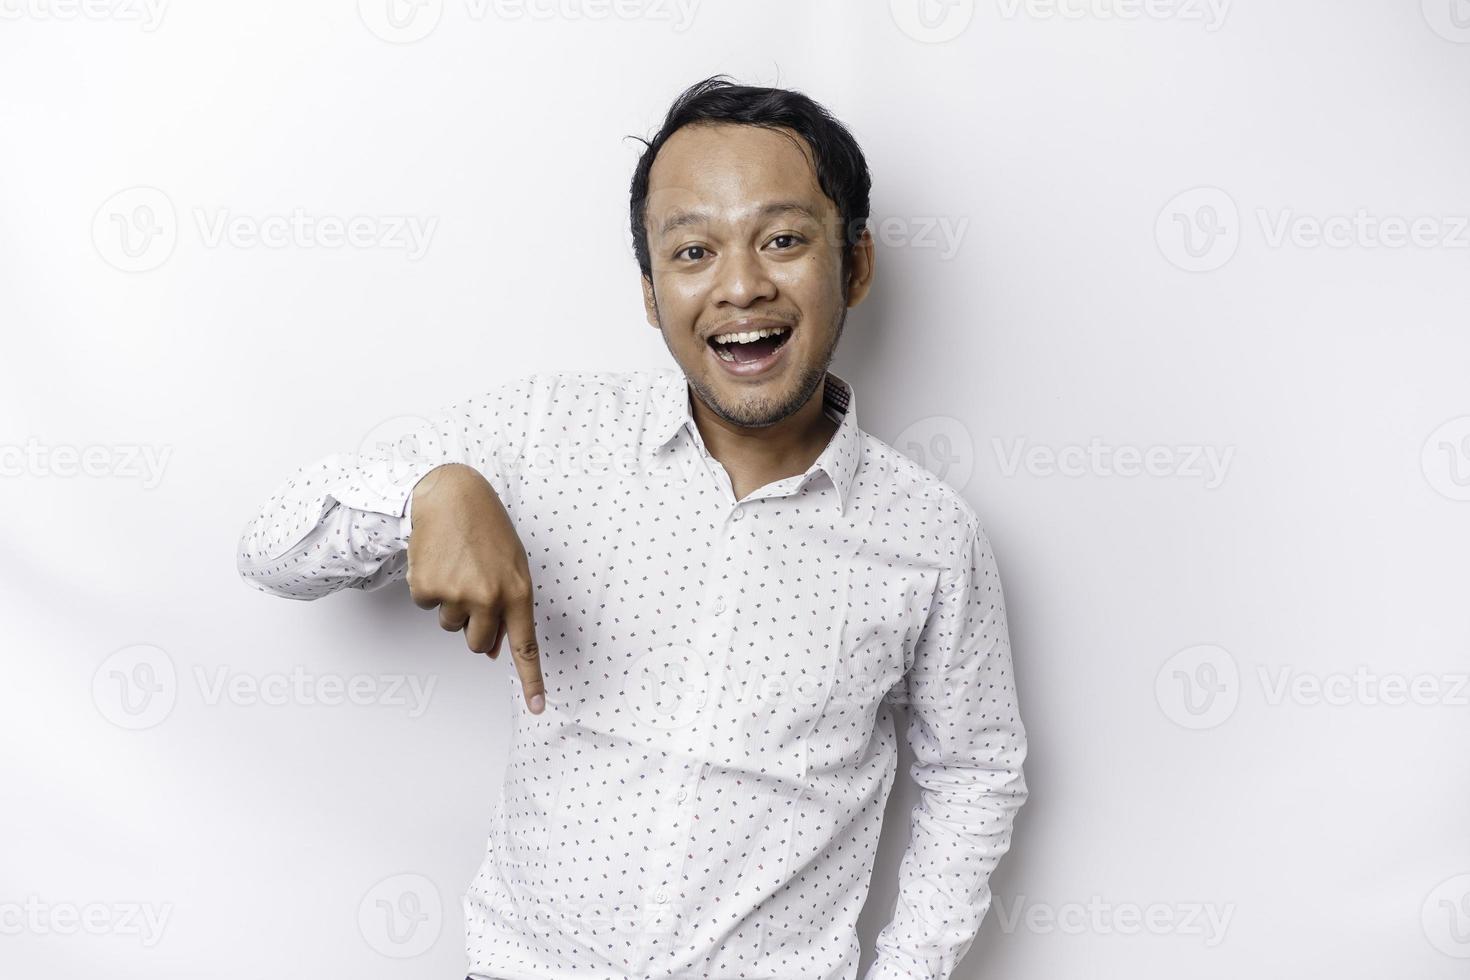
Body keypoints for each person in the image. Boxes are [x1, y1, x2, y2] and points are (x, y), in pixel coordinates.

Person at [236, 75, 1028, 980]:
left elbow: (976, 772)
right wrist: (431, 490)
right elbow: (270, 549)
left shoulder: (929, 538)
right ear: (651, 292)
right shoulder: (543, 435)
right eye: (693, 250)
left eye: (781, 240)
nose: (740, 285)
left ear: (853, 264)